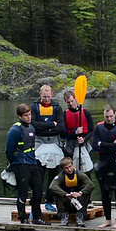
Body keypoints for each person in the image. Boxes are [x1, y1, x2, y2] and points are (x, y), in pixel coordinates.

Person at [5, 104, 49, 225]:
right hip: (21, 164)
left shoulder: (32, 128)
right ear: (19, 116)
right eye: (26, 115)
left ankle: (37, 217)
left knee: (38, 190)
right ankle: (23, 217)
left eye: (30, 115)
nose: (29, 117)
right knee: (23, 192)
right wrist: (13, 163)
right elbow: (9, 150)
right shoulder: (15, 130)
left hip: (32, 162)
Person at [30, 84, 65, 212]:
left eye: (48, 96)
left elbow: (61, 127)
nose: (46, 99)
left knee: (53, 173)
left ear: (52, 94)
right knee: (39, 172)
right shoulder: (34, 107)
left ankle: (49, 200)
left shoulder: (57, 108)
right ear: (40, 95)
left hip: (54, 141)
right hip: (39, 141)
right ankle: (36, 202)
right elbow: (33, 124)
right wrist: (50, 125)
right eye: (44, 96)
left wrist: (44, 127)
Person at [93, 104, 116, 229]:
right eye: (106, 116)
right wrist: (110, 145)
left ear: (115, 114)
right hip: (103, 162)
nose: (108, 119)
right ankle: (108, 219)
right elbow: (94, 145)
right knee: (104, 192)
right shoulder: (98, 127)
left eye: (111, 116)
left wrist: (103, 144)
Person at [48, 157, 94, 227]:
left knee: (86, 192)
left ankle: (80, 216)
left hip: (79, 203)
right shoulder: (60, 176)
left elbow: (90, 185)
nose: (69, 170)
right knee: (55, 193)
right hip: (67, 201)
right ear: (63, 169)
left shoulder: (80, 174)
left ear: (72, 165)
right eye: (66, 168)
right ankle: (63, 216)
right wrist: (66, 195)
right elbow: (52, 186)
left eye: (70, 166)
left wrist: (80, 193)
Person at [63, 90, 94, 174]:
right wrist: (75, 133)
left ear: (75, 99)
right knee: (72, 171)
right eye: (68, 102)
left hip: (84, 142)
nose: (71, 104)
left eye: (72, 101)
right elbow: (63, 134)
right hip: (71, 144)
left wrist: (84, 139)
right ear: (65, 102)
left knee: (86, 170)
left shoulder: (85, 112)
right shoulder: (64, 114)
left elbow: (91, 131)